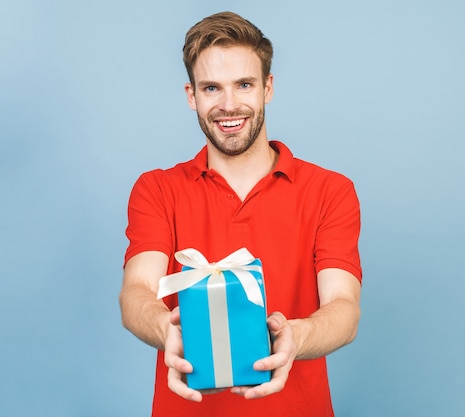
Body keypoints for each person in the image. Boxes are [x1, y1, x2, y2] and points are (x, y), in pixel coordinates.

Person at [119, 11, 362, 417]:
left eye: (244, 84)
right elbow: (136, 292)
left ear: (267, 87)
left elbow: (344, 307)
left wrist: (297, 337)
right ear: (191, 95)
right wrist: (165, 329)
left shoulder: (330, 191)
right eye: (212, 87)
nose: (228, 105)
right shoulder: (157, 189)